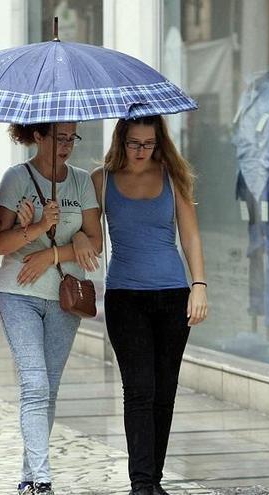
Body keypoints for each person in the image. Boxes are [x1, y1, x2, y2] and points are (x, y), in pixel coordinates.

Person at [91, 115, 208, 495]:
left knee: (164, 389)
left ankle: (153, 480)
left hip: (173, 295)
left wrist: (199, 286)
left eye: (149, 144)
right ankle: (141, 483)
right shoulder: (101, 180)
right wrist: (72, 236)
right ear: (120, 140)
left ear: (159, 143)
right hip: (125, 298)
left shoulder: (173, 177)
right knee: (139, 388)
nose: (141, 151)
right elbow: (89, 235)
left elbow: (190, 237)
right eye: (134, 143)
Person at [0, 122, 102, 495]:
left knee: (48, 389)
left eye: (72, 138)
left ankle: (28, 478)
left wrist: (53, 252)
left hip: (65, 296)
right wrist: (39, 227)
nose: (67, 145)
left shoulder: (82, 181)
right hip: (18, 293)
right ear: (38, 137)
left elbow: (95, 243)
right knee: (35, 383)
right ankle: (42, 478)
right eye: (59, 137)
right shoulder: (15, 178)